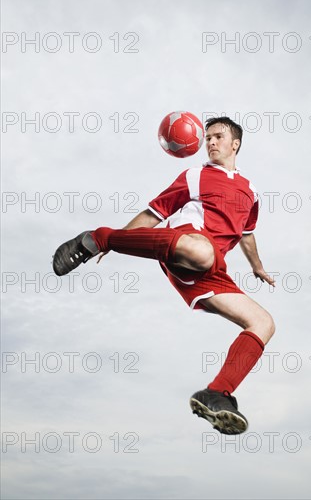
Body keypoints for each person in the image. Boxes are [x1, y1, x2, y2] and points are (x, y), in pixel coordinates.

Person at [52, 117, 275, 435]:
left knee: (264, 322)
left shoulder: (251, 193)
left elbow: (247, 235)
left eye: (218, 137)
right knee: (201, 251)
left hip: (212, 270)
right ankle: (97, 237)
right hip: (187, 244)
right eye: (207, 137)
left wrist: (257, 266)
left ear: (235, 143)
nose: (210, 142)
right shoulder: (195, 175)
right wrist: (118, 239)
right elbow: (153, 213)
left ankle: (217, 394)